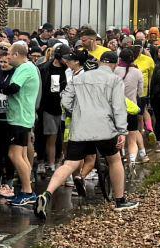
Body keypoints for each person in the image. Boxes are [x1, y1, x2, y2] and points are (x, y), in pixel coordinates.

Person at [35, 51, 138, 218]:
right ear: (114, 64)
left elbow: (66, 101)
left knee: (69, 164)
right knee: (114, 160)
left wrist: (77, 112)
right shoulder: (114, 80)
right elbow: (119, 108)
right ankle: (120, 201)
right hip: (105, 127)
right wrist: (122, 131)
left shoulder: (78, 78)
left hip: (80, 127)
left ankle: (46, 194)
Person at [1, 43, 42, 206]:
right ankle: (27, 189)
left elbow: (13, 88)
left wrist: (0, 88)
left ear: (17, 54)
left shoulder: (25, 68)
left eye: (9, 54)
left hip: (19, 118)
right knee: (23, 155)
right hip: (24, 117)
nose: (7, 57)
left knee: (14, 155)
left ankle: (27, 191)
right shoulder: (29, 67)